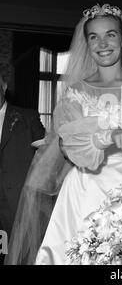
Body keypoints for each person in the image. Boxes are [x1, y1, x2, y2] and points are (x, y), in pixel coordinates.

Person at [6, 3, 122, 265]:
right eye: (94, 37)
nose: (103, 43)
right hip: (83, 192)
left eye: (110, 34)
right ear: (87, 44)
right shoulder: (75, 93)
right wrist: (109, 135)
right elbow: (69, 144)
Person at [0, 70, 45, 261]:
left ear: (3, 86)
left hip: (17, 205)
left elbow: (47, 157)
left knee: (16, 256)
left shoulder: (28, 117)